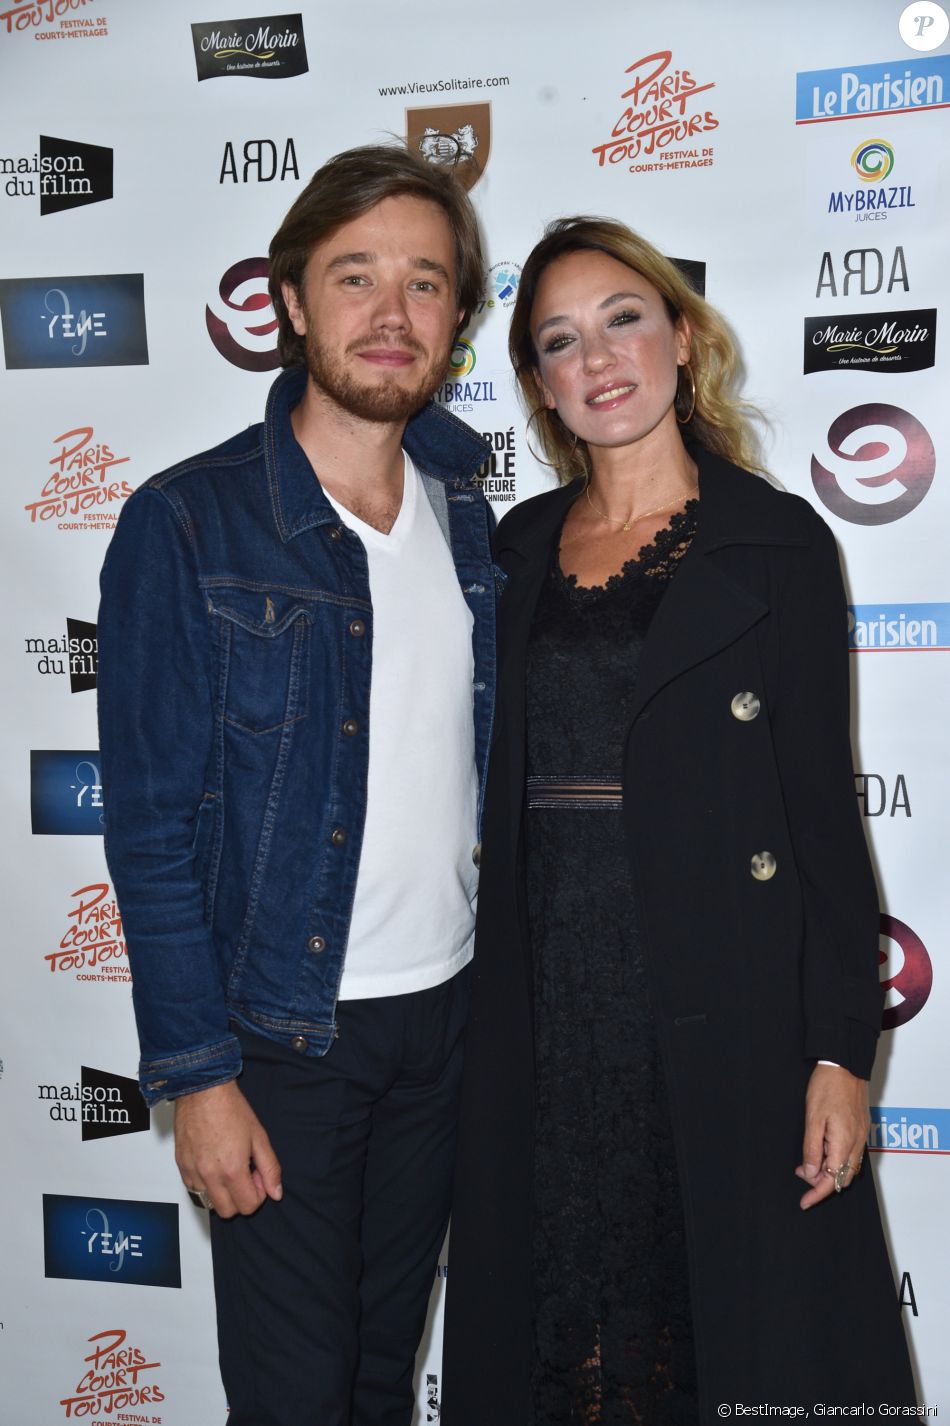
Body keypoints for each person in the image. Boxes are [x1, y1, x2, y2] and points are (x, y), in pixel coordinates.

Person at [441, 217, 916, 1425]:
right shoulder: (512, 549)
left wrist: (836, 1052)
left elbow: (820, 820)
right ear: (538, 385)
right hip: (542, 999)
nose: (597, 360)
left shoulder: (777, 547)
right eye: (558, 341)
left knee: (713, 1332)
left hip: (719, 997)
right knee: (561, 1318)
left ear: (681, 337)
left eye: (621, 320)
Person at [97, 144, 497, 1426]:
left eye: (425, 284)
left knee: (382, 1384)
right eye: (356, 277)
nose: (391, 316)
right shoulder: (189, 520)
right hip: (283, 1039)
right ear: (288, 298)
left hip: (443, 1025)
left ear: (455, 316)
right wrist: (199, 1076)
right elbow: (150, 828)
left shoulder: (468, 503)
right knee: (294, 1400)